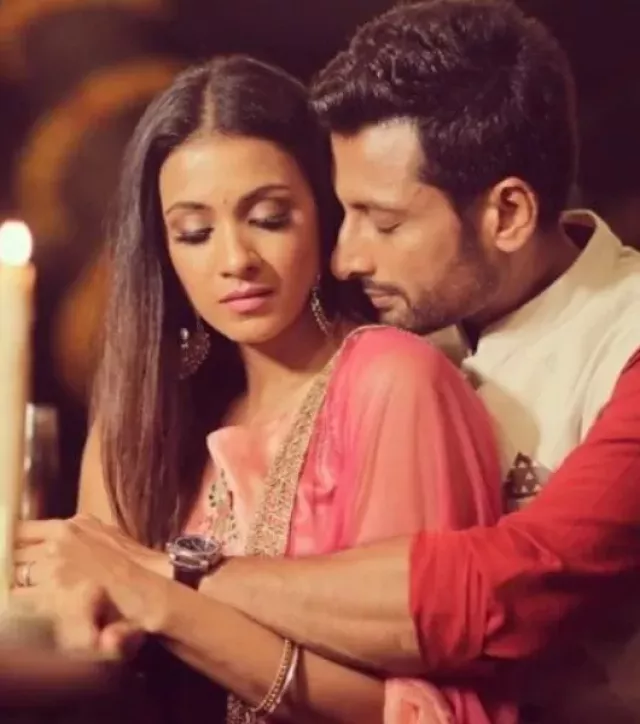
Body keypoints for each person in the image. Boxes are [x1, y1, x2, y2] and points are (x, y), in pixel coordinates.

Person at [13, 53, 512, 724]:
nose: (235, 260)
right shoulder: (145, 412)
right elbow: (95, 622)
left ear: (325, 213)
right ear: (163, 250)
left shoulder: (393, 380)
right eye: (195, 233)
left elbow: (427, 705)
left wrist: (165, 599)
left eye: (270, 218)